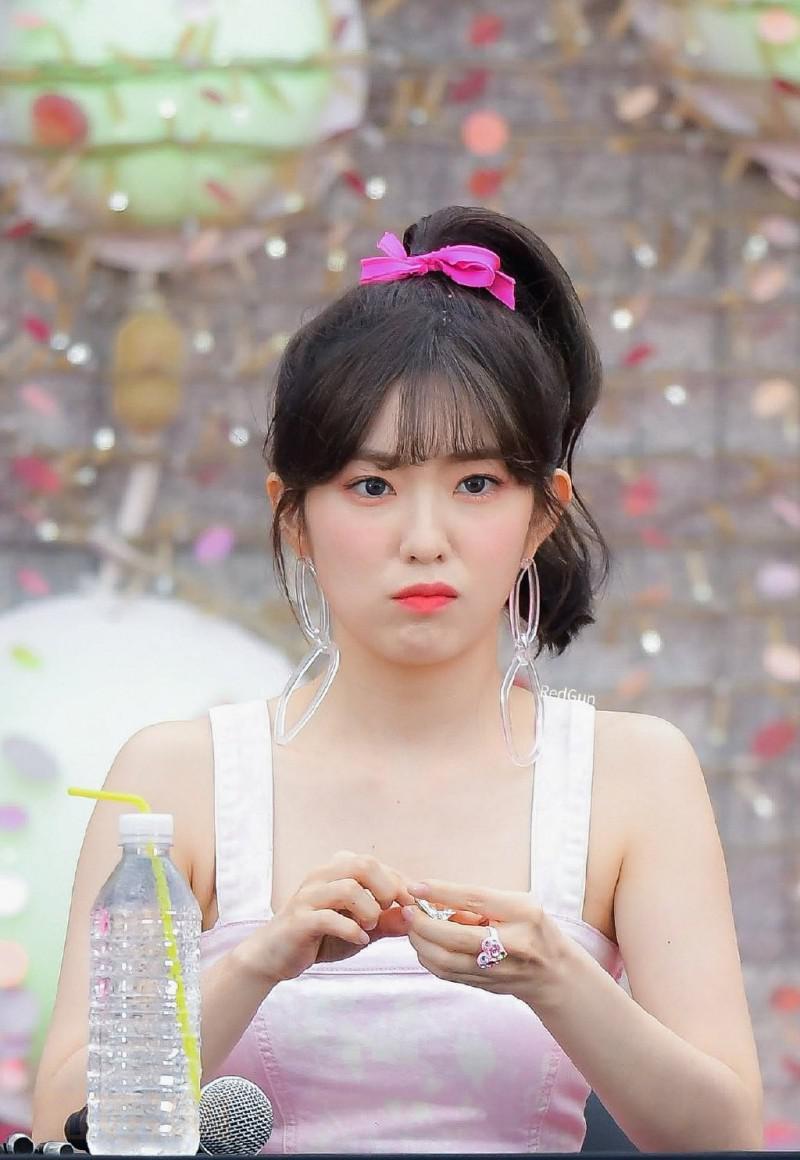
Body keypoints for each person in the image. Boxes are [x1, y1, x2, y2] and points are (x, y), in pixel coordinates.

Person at [32, 206, 763, 1152]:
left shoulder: (634, 776)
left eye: (476, 485)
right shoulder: (179, 777)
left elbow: (724, 1135)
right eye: (371, 487)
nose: (424, 540)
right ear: (293, 517)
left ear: (543, 516)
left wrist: (558, 976)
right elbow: (62, 1122)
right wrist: (258, 963)